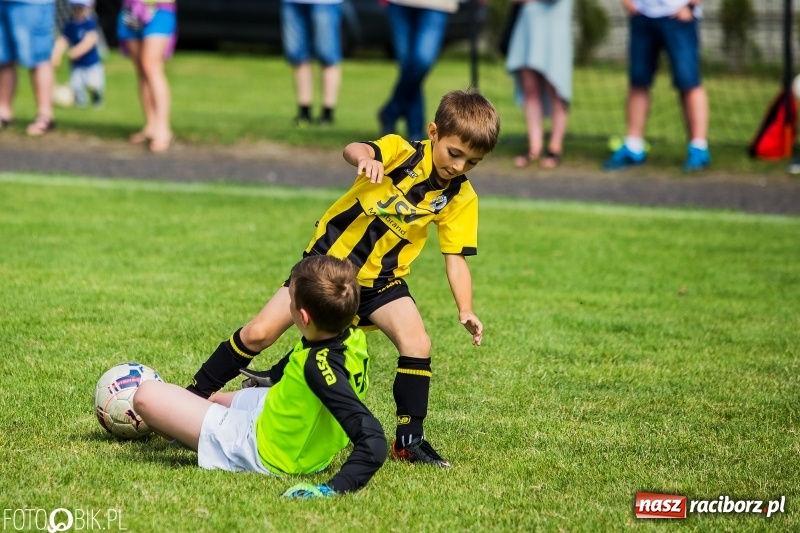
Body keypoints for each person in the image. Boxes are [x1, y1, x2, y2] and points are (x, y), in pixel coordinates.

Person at [187, 89, 501, 468]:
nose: (460, 166)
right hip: (327, 267)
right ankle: (194, 394)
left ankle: (409, 440)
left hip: (382, 282)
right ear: (434, 132)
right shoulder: (401, 151)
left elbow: (455, 258)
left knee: (417, 342)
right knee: (259, 333)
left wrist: (465, 308)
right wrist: (367, 159)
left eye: (473, 162)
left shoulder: (461, 197)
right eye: (455, 153)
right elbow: (353, 148)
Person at [134, 255, 387, 498]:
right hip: (285, 419)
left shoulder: (319, 368)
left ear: (303, 317)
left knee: (146, 395)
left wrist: (333, 489)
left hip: (272, 452)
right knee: (215, 400)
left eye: (290, 300)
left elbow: (372, 439)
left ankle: (186, 433)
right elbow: (295, 364)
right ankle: (190, 423)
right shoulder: (350, 336)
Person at [603, 0, 710, 172]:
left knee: (689, 81)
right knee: (638, 81)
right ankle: (633, 146)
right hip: (642, 15)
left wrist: (691, 6)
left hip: (679, 16)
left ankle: (698, 148)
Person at [505, 0, 573, 170]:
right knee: (530, 88)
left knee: (556, 87)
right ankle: (534, 148)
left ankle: (555, 148)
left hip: (555, 24)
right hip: (528, 24)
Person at [378, 0, 459, 141]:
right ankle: (415, 131)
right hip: (399, 4)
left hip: (436, 5)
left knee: (421, 61)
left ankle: (391, 111)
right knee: (408, 67)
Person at [117, 0, 176, 152]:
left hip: (159, 9)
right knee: (142, 71)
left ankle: (163, 128)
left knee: (151, 65)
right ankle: (150, 125)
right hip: (131, 9)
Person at [281, 0, 342, 126]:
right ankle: (304, 112)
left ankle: (327, 113)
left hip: (326, 3)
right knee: (298, 56)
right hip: (292, 2)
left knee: (328, 56)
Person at [0, 0, 56, 135]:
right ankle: (3, 112)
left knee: (39, 58)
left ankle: (45, 115)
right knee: (3, 59)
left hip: (33, 4)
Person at [51, 0, 104, 108]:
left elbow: (91, 39)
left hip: (91, 63)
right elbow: (63, 40)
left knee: (94, 84)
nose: (78, 10)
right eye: (76, 8)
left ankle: (97, 100)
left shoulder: (90, 23)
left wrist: (77, 51)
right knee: (77, 85)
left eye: (81, 8)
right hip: (77, 65)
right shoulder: (70, 25)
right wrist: (56, 55)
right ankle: (80, 103)